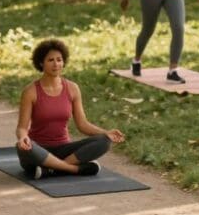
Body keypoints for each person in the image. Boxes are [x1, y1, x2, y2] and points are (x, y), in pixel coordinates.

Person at [16, 39, 125, 179]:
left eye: (59, 60)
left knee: (104, 141)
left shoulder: (72, 88)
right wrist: (23, 138)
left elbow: (83, 124)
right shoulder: (30, 91)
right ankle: (73, 170)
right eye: (50, 60)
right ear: (41, 63)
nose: (56, 64)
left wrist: (106, 133)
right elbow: (22, 128)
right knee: (23, 148)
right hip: (39, 150)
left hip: (65, 151)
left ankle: (51, 170)